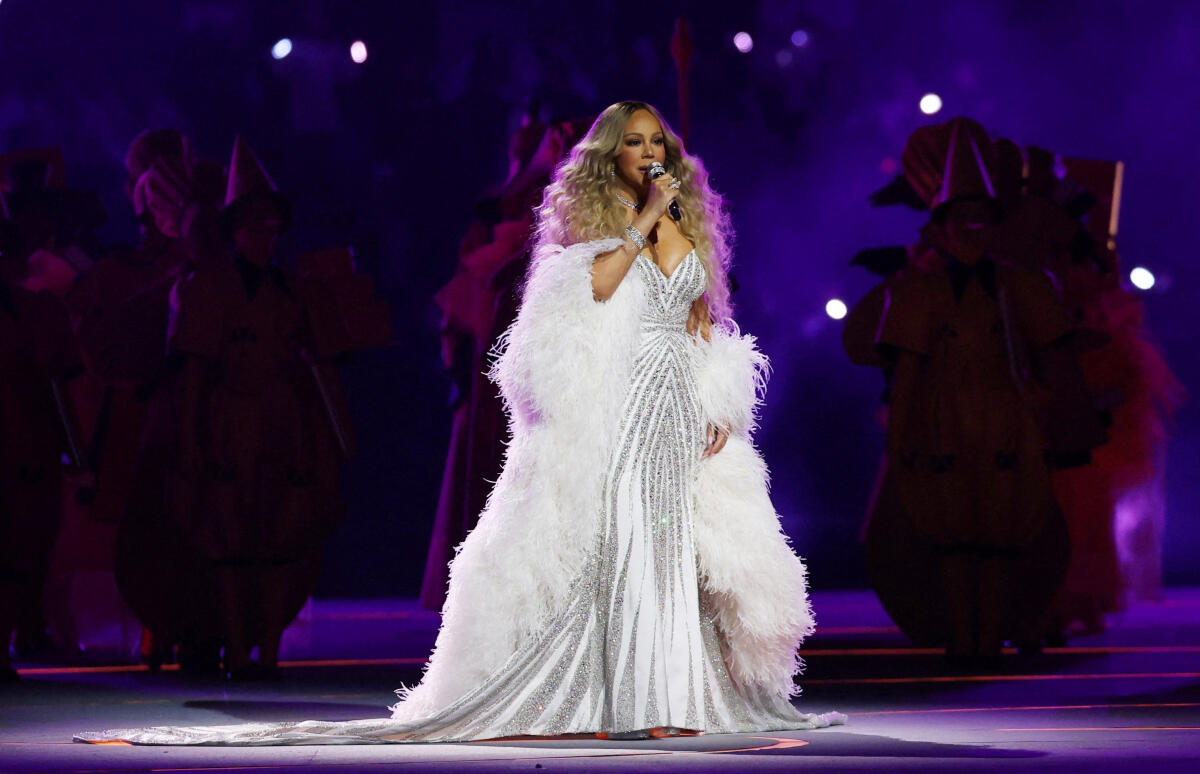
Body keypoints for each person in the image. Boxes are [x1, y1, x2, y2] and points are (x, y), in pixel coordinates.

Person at [76, 100, 844, 744]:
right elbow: (596, 296)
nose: (648, 153)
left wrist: (717, 399)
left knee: (669, 557)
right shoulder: (585, 243)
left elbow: (704, 322)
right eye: (634, 142)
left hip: (666, 415)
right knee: (606, 556)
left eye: (657, 142)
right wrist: (644, 222)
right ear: (611, 157)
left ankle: (668, 695)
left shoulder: (681, 233)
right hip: (602, 418)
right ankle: (595, 693)